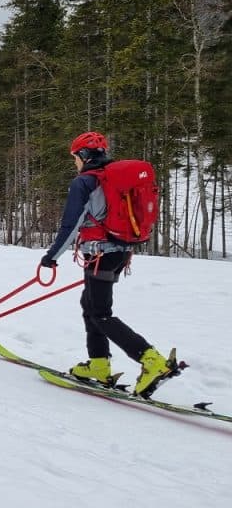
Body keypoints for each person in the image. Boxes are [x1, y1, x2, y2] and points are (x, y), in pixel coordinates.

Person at [40, 131, 173, 397]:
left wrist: (51, 257)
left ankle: (152, 361)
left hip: (100, 253)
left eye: (75, 157)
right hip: (120, 252)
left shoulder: (85, 182)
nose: (75, 162)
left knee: (100, 312)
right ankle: (99, 365)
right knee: (90, 305)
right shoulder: (114, 178)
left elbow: (71, 225)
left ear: (83, 155)